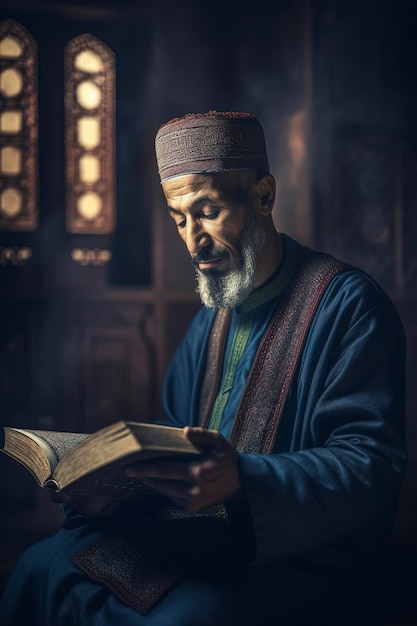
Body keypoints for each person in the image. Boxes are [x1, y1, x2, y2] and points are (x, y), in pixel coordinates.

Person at [0, 111, 407, 626]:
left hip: (292, 553)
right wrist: (103, 491)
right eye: (179, 220)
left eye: (208, 212)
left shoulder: (348, 305)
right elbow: (174, 434)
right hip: (191, 532)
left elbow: (370, 462)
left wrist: (244, 480)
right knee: (43, 566)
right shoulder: (210, 321)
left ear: (262, 196)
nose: (193, 241)